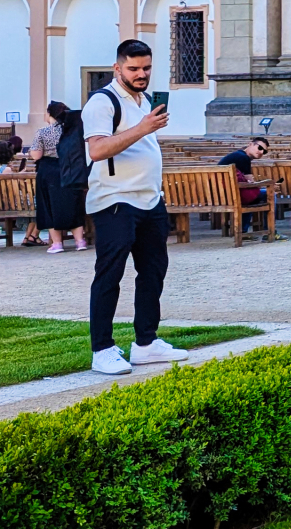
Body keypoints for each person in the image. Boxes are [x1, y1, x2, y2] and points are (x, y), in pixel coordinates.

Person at [83, 39, 188, 375]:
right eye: (133, 68)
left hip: (150, 199)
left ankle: (146, 343)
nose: (141, 74)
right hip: (115, 200)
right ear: (118, 68)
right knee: (110, 274)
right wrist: (142, 128)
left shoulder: (144, 101)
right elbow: (97, 150)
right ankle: (102, 349)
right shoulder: (103, 101)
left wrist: (146, 127)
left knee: (153, 271)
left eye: (146, 68)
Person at [31, 102, 87, 253]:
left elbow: (36, 155)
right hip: (71, 168)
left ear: (50, 114)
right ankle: (80, 241)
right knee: (74, 204)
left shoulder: (43, 132)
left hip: (49, 170)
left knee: (49, 205)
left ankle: (57, 244)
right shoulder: (73, 130)